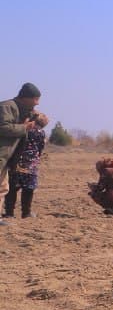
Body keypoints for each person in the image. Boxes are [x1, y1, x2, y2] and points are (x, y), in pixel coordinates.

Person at [0, 83, 42, 226]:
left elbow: (34, 124)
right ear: (26, 98)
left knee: (3, 187)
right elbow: (3, 127)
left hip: (7, 156)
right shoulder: (7, 107)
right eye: (36, 99)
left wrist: (40, 120)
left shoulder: (23, 110)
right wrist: (24, 127)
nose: (37, 103)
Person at [3, 112, 49, 219]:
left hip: (17, 164)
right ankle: (26, 213)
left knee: (12, 189)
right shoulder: (41, 133)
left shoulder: (23, 130)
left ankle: (9, 213)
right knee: (28, 189)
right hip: (31, 166)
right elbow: (40, 148)